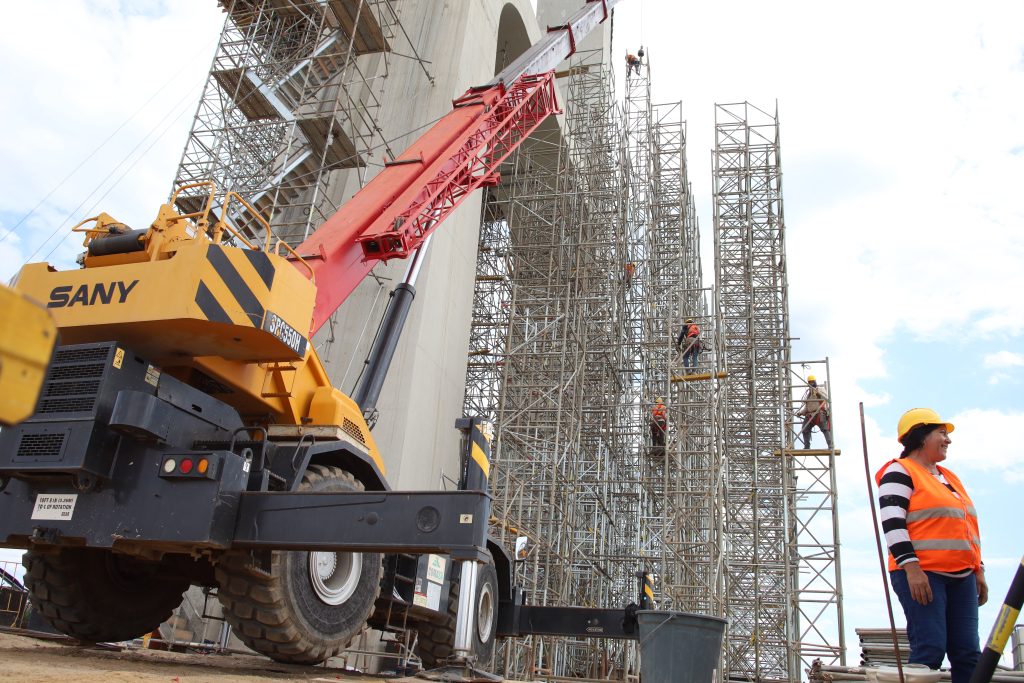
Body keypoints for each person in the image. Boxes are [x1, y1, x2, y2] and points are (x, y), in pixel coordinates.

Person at [875, 408, 986, 683]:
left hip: (962, 576)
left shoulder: (949, 477)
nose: (948, 440)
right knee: (930, 650)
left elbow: (966, 527)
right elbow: (893, 523)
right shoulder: (899, 472)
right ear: (921, 436)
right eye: (942, 433)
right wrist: (911, 569)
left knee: (968, 653)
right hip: (923, 575)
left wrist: (978, 570)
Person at [797, 375, 833, 449]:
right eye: (810, 382)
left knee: (825, 429)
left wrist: (817, 393)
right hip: (810, 415)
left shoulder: (820, 389)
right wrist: (801, 412)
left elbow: (826, 398)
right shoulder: (809, 394)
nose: (811, 383)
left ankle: (830, 445)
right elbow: (807, 408)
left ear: (815, 382)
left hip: (819, 413)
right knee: (805, 429)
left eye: (812, 382)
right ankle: (807, 446)